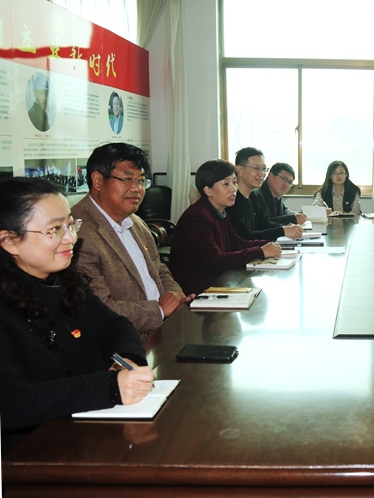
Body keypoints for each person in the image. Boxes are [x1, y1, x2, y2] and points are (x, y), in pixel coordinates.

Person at [0, 178, 153, 455]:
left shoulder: (66, 282)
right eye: (54, 229)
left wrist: (126, 361)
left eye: (71, 225)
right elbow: (10, 402)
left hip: (85, 437)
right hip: (27, 457)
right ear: (9, 240)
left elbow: (115, 326)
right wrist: (108, 388)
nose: (71, 238)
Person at [71, 143, 191, 340]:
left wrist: (177, 297)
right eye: (127, 179)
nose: (137, 189)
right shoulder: (77, 233)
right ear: (98, 180)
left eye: (141, 181)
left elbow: (159, 269)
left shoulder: (135, 221)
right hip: (124, 342)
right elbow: (98, 309)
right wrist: (159, 310)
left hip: (165, 329)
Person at [169, 160, 282, 295]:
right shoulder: (197, 217)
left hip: (218, 281)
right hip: (196, 291)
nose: (233, 189)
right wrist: (260, 251)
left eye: (234, 182)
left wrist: (269, 244)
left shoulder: (219, 211)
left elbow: (237, 243)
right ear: (208, 190)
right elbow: (217, 260)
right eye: (226, 184)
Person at [228, 147, 303, 241]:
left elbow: (265, 223)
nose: (262, 174)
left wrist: (285, 227)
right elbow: (245, 236)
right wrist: (282, 231)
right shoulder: (231, 200)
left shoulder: (253, 196)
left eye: (264, 169)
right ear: (240, 170)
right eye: (256, 168)